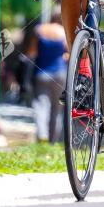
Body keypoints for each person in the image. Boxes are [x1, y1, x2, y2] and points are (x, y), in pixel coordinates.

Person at [26, 11, 68, 142]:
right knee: (57, 109)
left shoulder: (40, 30)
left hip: (42, 73)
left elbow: (32, 52)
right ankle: (53, 140)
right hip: (60, 74)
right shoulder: (64, 32)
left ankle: (42, 136)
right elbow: (70, 53)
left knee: (41, 105)